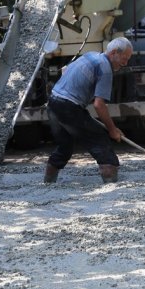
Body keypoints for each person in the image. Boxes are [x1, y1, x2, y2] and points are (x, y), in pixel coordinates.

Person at [44, 37, 133, 185]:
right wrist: (112, 130)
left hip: (53, 102)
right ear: (114, 53)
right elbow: (99, 105)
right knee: (100, 140)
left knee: (64, 146)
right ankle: (111, 182)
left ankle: (47, 182)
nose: (125, 63)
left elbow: (66, 70)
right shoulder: (105, 68)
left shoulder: (90, 55)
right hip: (68, 106)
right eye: (124, 58)